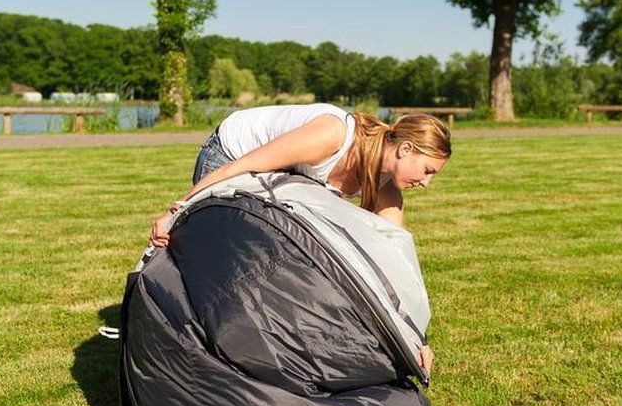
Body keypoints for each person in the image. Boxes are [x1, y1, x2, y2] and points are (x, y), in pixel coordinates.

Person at [148, 102, 451, 373]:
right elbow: (243, 166)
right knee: (222, 266)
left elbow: (390, 265)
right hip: (231, 156)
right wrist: (178, 211)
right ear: (406, 149)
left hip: (283, 176)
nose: (427, 183)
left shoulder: (387, 190)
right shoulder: (332, 136)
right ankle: (181, 345)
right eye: (427, 170)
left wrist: (415, 338)